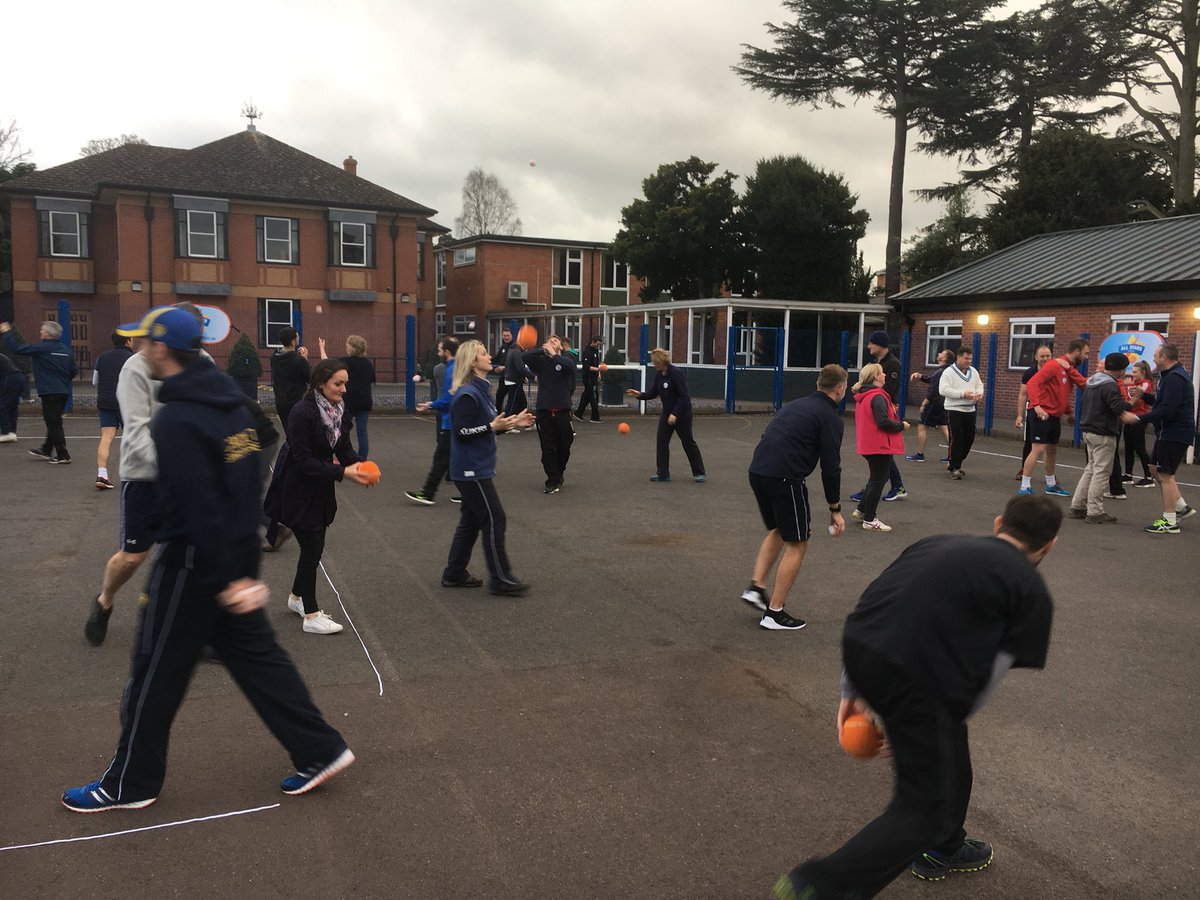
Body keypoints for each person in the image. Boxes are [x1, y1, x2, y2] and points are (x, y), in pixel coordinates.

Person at [62, 307, 354, 813]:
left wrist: (225, 574)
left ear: (160, 349)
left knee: (152, 672)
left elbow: (197, 500)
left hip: (194, 563)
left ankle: (129, 784)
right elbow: (248, 468)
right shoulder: (228, 403)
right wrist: (242, 567)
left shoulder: (178, 417)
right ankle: (321, 749)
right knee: (258, 660)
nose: (141, 351)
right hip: (232, 557)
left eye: (146, 344)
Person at [772, 494, 1061, 900]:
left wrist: (850, 693)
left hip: (862, 647)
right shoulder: (1031, 590)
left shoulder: (936, 543)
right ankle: (818, 886)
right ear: (1049, 546)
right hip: (920, 678)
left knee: (950, 754)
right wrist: (929, 723)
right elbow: (983, 682)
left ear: (998, 524)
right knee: (924, 811)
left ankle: (946, 845)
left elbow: (878, 606)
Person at [84, 304, 214, 646]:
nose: (144, 344)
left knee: (200, 555)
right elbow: (138, 435)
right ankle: (104, 601)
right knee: (132, 558)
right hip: (144, 475)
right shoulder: (135, 368)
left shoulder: (203, 364)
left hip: (189, 480)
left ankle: (199, 629)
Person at [263, 359, 375, 634]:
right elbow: (303, 461)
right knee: (312, 546)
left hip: (320, 484)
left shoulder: (339, 410)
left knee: (314, 547)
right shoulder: (302, 412)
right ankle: (311, 615)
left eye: (345, 383)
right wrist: (342, 472)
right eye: (339, 383)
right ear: (321, 383)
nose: (344, 389)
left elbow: (344, 448)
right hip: (297, 484)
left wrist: (359, 466)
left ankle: (296, 598)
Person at [743, 364, 848, 631]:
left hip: (758, 470)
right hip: (785, 477)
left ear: (818, 384)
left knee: (780, 529)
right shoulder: (830, 417)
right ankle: (774, 613)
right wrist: (835, 509)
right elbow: (831, 466)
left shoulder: (795, 405)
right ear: (840, 389)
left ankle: (756, 588)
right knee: (798, 543)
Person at [443, 340, 534, 595]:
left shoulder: (482, 389)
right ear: (473, 362)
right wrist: (492, 427)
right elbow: (461, 432)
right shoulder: (467, 394)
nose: (489, 355)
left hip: (477, 467)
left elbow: (488, 428)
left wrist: (514, 422)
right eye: (483, 353)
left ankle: (454, 573)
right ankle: (501, 579)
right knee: (495, 519)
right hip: (470, 470)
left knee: (471, 522)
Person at [1066, 353, 1140, 523]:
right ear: (1121, 370)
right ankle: (1095, 511)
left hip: (1088, 429)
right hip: (1103, 432)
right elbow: (1119, 407)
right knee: (1101, 472)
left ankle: (1077, 506)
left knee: (1091, 469)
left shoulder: (1093, 381)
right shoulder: (1110, 385)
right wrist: (1137, 397)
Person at [1138, 343, 1197, 534]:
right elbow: (1162, 402)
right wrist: (1144, 396)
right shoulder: (1170, 376)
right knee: (1155, 469)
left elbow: (1167, 410)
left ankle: (1169, 520)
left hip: (1175, 433)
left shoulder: (1175, 378)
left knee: (1165, 475)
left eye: (1155, 356)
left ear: (1164, 357)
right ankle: (1182, 507)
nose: (1153, 359)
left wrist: (1138, 418)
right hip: (1167, 432)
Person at [0, 319, 77, 464]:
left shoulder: (42, 348)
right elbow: (73, 371)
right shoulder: (66, 351)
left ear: (47, 333)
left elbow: (17, 348)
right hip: (63, 391)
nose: (40, 331)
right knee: (54, 420)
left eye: (42, 330)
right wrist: (62, 381)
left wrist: (7, 332)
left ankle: (63, 455)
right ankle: (46, 449)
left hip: (49, 391)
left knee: (53, 422)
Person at [1021, 338, 1090, 496]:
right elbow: (1032, 383)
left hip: (1054, 416)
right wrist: (1037, 406)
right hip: (1041, 413)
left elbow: (1060, 392)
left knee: (1051, 450)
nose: (1086, 357)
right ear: (1077, 351)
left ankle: (1051, 485)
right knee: (1037, 448)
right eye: (1085, 353)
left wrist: (1068, 412)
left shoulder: (1068, 368)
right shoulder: (1054, 365)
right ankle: (1025, 486)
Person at [626, 348, 706, 484]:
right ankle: (663, 473)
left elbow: (684, 396)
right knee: (662, 441)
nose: (653, 365)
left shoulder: (675, 374)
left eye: (655, 363)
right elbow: (653, 393)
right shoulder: (658, 375)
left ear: (662, 362)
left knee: (688, 442)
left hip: (682, 414)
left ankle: (699, 472)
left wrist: (675, 414)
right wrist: (639, 394)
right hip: (667, 414)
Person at [851, 363, 910, 532]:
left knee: (880, 477)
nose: (885, 375)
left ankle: (862, 509)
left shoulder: (865, 395)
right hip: (878, 444)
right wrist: (901, 425)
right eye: (882, 373)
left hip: (869, 443)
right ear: (876, 377)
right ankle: (870, 519)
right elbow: (883, 421)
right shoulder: (877, 396)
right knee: (878, 479)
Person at [850, 331, 906, 503]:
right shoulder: (879, 363)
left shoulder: (892, 364)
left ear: (880, 344)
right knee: (882, 453)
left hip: (884, 408)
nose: (868, 346)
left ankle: (884, 488)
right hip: (879, 406)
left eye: (871, 343)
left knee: (882, 452)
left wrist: (883, 405)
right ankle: (893, 486)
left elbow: (889, 389)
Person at [406, 336, 460, 506]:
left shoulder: (451, 370)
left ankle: (428, 493)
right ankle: (468, 492)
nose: (438, 353)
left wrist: (431, 404)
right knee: (456, 458)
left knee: (441, 459)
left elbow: (449, 398)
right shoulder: (454, 368)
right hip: (454, 421)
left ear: (447, 352)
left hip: (450, 423)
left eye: (440, 350)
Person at [524, 335, 577, 494]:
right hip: (544, 411)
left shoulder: (566, 360)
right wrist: (543, 350)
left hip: (562, 411)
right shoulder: (541, 362)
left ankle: (559, 473)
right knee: (547, 448)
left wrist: (554, 355)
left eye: (555, 340)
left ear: (561, 346)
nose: (552, 342)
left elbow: (572, 368)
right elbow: (524, 356)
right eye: (549, 340)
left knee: (564, 446)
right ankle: (552, 480)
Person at [320, 334, 375, 459]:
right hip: (364, 401)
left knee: (341, 431)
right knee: (362, 432)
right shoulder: (368, 364)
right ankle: (362, 459)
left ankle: (344, 456)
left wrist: (322, 348)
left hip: (348, 402)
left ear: (352, 348)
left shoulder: (344, 362)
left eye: (348, 345)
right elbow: (371, 379)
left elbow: (326, 363)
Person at [91, 332, 134, 489]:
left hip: (106, 401)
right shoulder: (133, 358)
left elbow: (95, 380)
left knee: (106, 437)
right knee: (131, 438)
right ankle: (132, 476)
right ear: (129, 341)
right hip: (126, 403)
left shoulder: (103, 357)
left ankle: (102, 474)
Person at [939, 346, 984, 480]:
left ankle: (956, 461)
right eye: (966, 358)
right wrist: (962, 394)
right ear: (958, 357)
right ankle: (954, 466)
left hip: (970, 409)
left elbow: (979, 385)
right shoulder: (948, 372)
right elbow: (943, 390)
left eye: (970, 358)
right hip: (954, 409)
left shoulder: (973, 371)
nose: (969, 361)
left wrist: (979, 394)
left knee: (969, 439)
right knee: (957, 438)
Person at [1013, 344, 1053, 480]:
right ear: (1036, 357)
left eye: (1048, 356)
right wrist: (1019, 415)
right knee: (1030, 442)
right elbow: (1023, 395)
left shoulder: (1055, 372)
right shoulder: (1030, 373)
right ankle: (1024, 469)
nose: (1045, 358)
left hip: (1051, 410)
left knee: (1050, 445)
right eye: (1042, 356)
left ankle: (1050, 476)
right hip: (1034, 411)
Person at [906, 348, 953, 462]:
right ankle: (952, 455)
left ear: (944, 358)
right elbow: (931, 379)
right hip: (943, 403)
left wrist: (924, 403)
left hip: (934, 403)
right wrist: (920, 375)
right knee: (943, 427)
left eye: (942, 353)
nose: (938, 353)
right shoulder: (945, 371)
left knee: (922, 426)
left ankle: (920, 454)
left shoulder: (940, 372)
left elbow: (933, 389)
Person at [1121, 359, 1155, 488]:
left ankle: (1148, 477)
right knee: (1128, 447)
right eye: (1132, 371)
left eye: (1135, 372)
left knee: (1140, 448)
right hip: (1129, 417)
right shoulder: (1136, 383)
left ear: (1143, 372)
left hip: (1139, 418)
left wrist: (1128, 386)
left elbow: (1134, 398)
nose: (1132, 374)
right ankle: (1128, 474)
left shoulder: (1145, 384)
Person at [270, 325, 310, 428]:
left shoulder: (274, 357)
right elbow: (310, 377)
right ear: (293, 342)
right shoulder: (298, 360)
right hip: (296, 402)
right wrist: (305, 359)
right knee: (298, 434)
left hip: (280, 401)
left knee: (289, 432)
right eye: (297, 337)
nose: (299, 338)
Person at [574, 335, 603, 423]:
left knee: (587, 395)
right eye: (597, 344)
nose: (598, 346)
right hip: (588, 377)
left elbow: (597, 364)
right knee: (594, 396)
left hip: (594, 376)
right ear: (593, 341)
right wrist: (597, 370)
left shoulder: (595, 351)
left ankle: (578, 413)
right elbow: (587, 367)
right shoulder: (587, 352)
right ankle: (594, 417)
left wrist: (599, 373)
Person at [0, 351, 27, 442]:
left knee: (3, 406)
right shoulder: (3, 356)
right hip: (19, 377)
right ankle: (12, 432)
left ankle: (7, 432)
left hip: (9, 378)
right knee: (12, 406)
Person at [502, 341, 532, 420]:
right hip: (515, 380)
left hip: (510, 379)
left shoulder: (510, 350)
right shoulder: (517, 352)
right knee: (512, 403)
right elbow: (520, 368)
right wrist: (531, 376)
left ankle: (527, 423)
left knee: (522, 402)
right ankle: (508, 422)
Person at [491, 328, 515, 414]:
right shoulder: (503, 347)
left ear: (512, 335)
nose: (506, 337)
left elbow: (515, 362)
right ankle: (498, 415)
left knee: (514, 399)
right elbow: (496, 358)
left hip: (512, 378)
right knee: (499, 396)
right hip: (503, 377)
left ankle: (510, 416)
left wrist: (504, 367)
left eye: (508, 335)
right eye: (504, 336)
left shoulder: (515, 347)